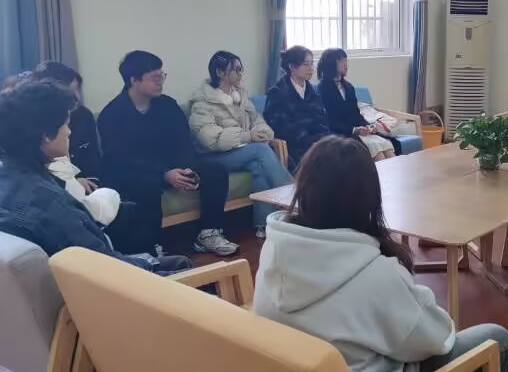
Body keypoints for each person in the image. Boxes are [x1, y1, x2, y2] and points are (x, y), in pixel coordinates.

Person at [252, 136, 508, 372]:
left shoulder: (275, 247)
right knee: (498, 341)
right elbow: (437, 339)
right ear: (367, 199)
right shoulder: (375, 273)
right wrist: (414, 295)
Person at [0, 81, 191, 275]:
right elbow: (104, 267)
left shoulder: (9, 179)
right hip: (103, 284)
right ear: (46, 136)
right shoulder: (50, 203)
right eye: (66, 124)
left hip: (66, 278)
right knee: (181, 267)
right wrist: (149, 265)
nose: (69, 132)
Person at [98, 51, 238, 256]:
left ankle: (208, 233)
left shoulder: (168, 105)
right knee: (145, 187)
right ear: (134, 80)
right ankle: (152, 247)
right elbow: (122, 160)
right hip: (137, 172)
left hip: (173, 167)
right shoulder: (112, 114)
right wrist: (164, 174)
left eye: (162, 76)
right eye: (154, 77)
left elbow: (183, 143)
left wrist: (185, 169)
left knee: (215, 171)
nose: (161, 82)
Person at [189, 51, 293, 238]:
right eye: (236, 70)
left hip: (242, 152)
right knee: (260, 151)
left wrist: (262, 132)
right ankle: (294, 199)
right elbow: (212, 140)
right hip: (213, 158)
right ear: (220, 73)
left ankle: (264, 225)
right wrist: (248, 136)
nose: (240, 74)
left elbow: (258, 121)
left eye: (241, 69)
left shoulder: (240, 96)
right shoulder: (202, 103)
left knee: (257, 165)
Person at [317, 48, 397, 162]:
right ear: (331, 64)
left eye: (346, 60)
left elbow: (356, 114)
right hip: (340, 135)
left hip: (358, 133)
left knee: (387, 149)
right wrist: (354, 130)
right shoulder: (322, 89)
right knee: (378, 152)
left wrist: (368, 126)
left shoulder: (348, 87)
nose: (346, 64)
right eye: (341, 60)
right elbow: (329, 120)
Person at [32, 61, 101, 184]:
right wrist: (72, 182)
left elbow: (93, 162)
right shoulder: (32, 125)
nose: (77, 98)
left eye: (78, 90)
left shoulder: (84, 116)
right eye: (71, 93)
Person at [263, 46, 332, 168]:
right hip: (293, 147)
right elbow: (282, 128)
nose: (310, 68)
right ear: (291, 66)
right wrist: (310, 142)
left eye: (311, 64)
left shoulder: (314, 92)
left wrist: (321, 140)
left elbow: (322, 120)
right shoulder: (277, 93)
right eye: (305, 64)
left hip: (317, 144)